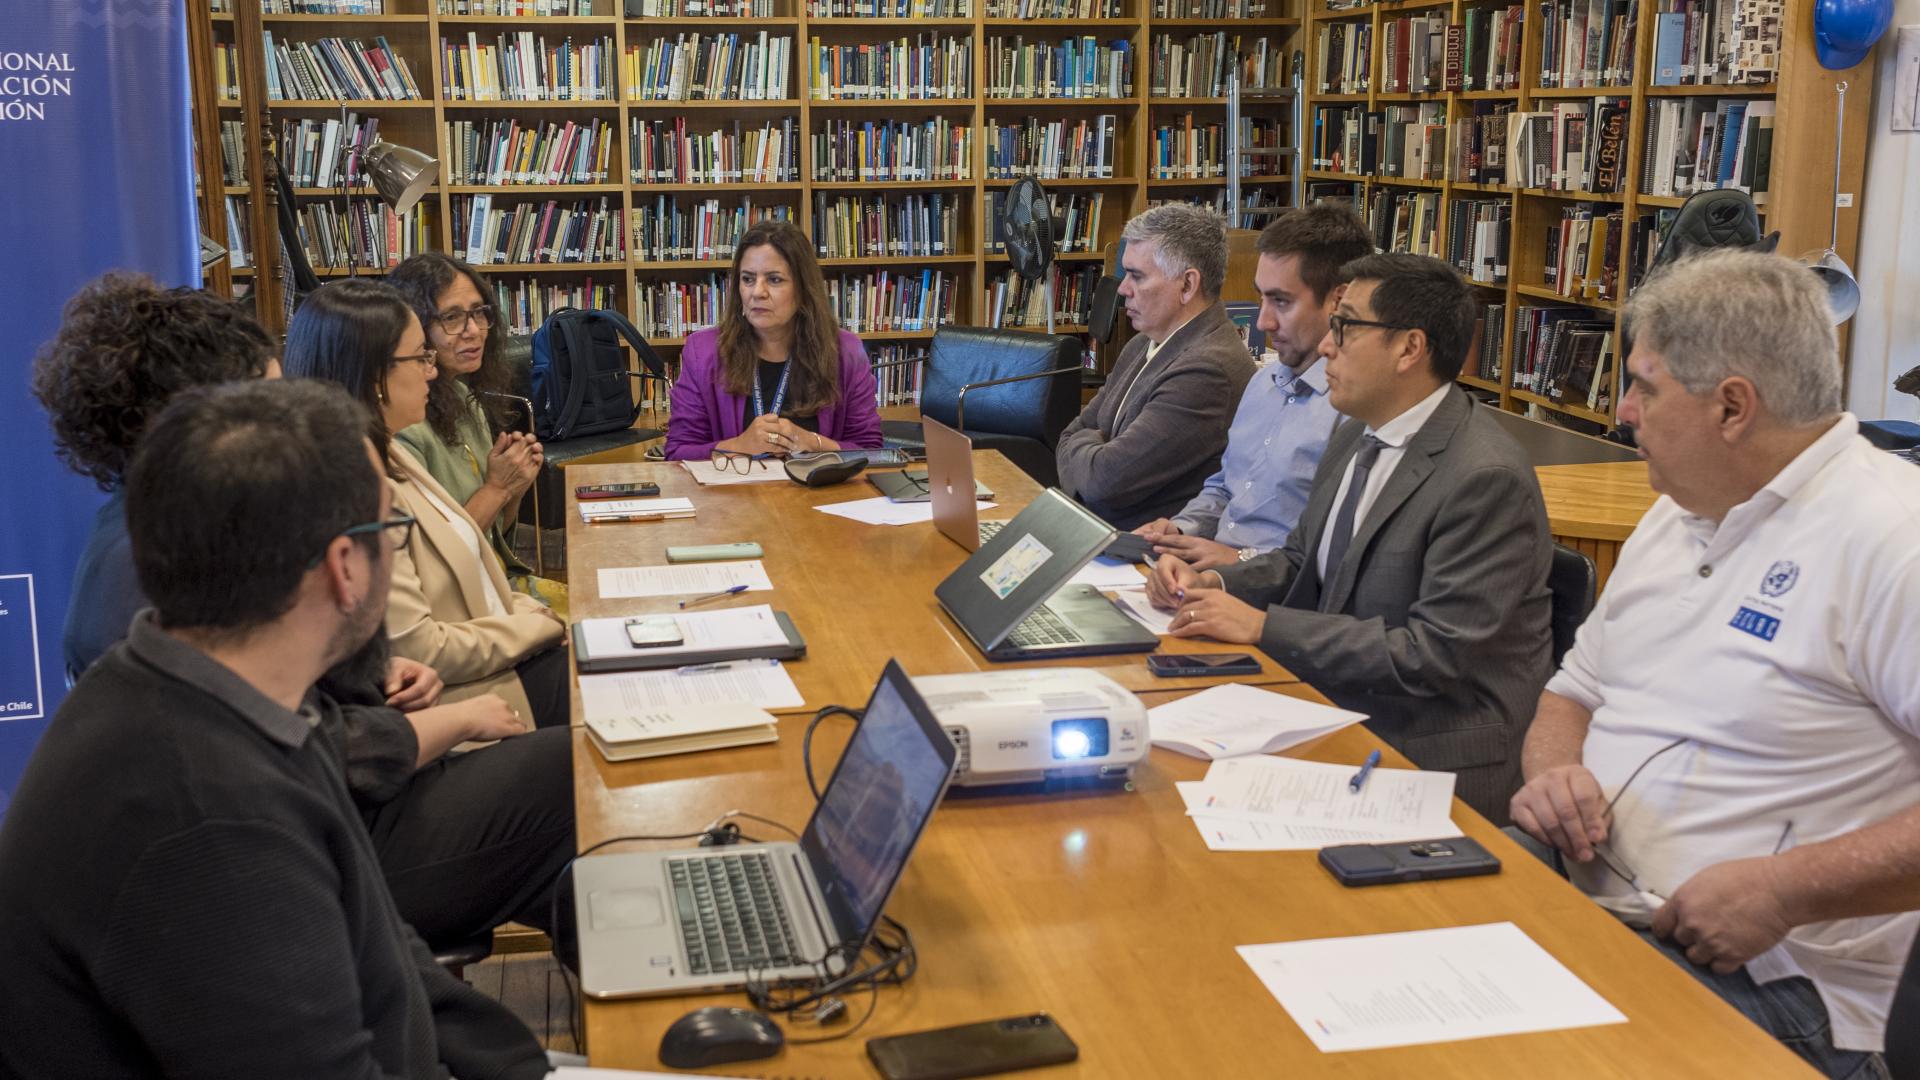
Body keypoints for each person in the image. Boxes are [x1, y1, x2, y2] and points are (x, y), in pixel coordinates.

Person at [0, 379, 551, 1078]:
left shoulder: (225, 694)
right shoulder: (206, 820)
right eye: (392, 530)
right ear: (345, 569)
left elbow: (389, 955)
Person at [30, 271, 573, 951]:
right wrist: (439, 719)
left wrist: (382, 677)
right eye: (268, 398)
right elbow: (272, 749)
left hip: (338, 808)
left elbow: (291, 694)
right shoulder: (150, 575)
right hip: (317, 847)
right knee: (571, 770)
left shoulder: (170, 525)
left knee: (573, 845)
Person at [1508, 250, 1920, 1078]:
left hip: (1773, 979)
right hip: (1589, 898)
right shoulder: (1678, 509)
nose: (1624, 412)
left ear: (1733, 406)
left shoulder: (1891, 541)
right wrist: (1553, 773)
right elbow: (1572, 694)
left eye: (1645, 386)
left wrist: (1783, 890)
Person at [1149, 253, 1552, 823]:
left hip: (1428, 745)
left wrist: (1264, 626)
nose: (1328, 347)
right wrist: (1210, 580)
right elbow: (1299, 562)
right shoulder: (1356, 431)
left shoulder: (1484, 478)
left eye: (1346, 328)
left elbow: (1429, 655)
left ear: (1409, 348)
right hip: (1338, 703)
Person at [284, 279, 571, 730]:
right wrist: (541, 626)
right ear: (375, 375)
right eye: (421, 357)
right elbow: (420, 648)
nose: (433, 372)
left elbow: (475, 555)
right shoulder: (359, 489)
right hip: (467, 699)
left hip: (495, 657)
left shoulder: (389, 450)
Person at [1131, 204, 1371, 569]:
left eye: (1281, 301)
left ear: (1340, 302)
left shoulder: (1357, 410)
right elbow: (1227, 487)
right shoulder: (1263, 383)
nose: (1263, 321)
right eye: (1262, 297)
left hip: (1275, 592)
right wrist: (1180, 530)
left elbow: (1341, 551)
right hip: (1213, 572)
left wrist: (1240, 559)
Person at [1055, 204, 1257, 530]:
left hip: (1143, 558)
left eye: (1137, 276)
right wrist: (1092, 446)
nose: (1122, 289)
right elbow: (1067, 434)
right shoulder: (1142, 344)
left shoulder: (1207, 370)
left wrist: (1086, 446)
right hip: (1095, 535)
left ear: (1188, 285)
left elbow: (1104, 482)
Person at [387, 252, 565, 614]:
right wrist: (497, 488)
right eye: (452, 317)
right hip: (463, 605)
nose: (473, 330)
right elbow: (438, 562)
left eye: (479, 313)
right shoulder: (403, 427)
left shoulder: (462, 395)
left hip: (497, 581)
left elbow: (493, 535)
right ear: (414, 328)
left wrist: (513, 489)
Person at [665, 219, 883, 460]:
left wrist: (813, 442)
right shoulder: (703, 352)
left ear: (803, 289)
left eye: (774, 279)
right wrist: (739, 445)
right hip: (736, 494)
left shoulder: (845, 351)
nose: (757, 292)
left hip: (818, 494)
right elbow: (678, 452)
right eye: (748, 279)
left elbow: (871, 450)